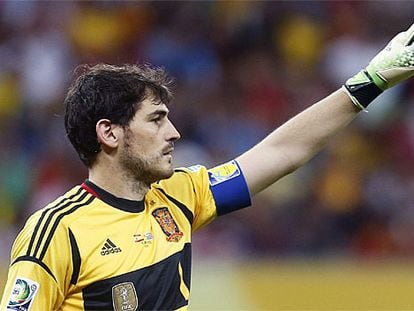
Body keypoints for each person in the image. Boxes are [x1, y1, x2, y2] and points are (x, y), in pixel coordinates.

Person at [1, 23, 413, 311]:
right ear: (109, 133)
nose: (174, 133)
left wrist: (371, 80)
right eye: (157, 120)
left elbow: (282, 152)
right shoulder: (55, 232)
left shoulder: (180, 196)